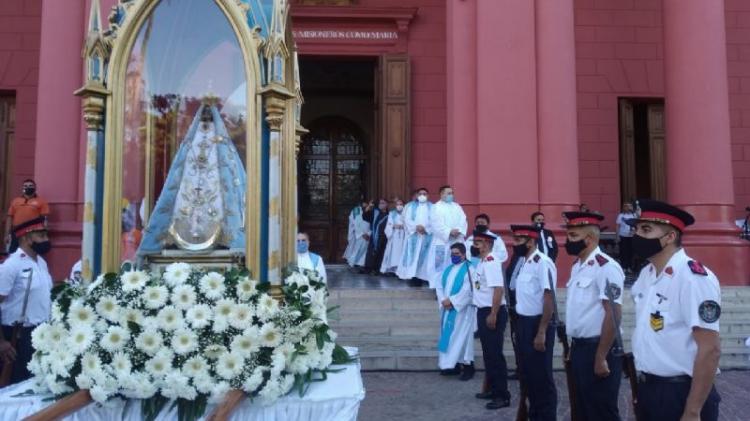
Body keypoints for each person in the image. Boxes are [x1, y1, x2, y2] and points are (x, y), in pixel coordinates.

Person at [628, 199, 721, 421]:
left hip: (680, 392)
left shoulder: (693, 278)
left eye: (646, 229)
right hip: (649, 388)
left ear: (670, 237)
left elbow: (710, 349)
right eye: (637, 229)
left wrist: (692, 410)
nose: (637, 235)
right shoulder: (646, 274)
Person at [562, 211, 625, 421]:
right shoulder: (577, 266)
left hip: (600, 347)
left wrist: (600, 356)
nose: (567, 241)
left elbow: (614, 313)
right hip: (581, 347)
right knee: (582, 408)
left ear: (588, 239)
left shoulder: (606, 267)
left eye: (572, 236)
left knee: (601, 410)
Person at [510, 224, 557, 421]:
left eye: (519, 240)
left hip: (538, 324)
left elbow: (549, 297)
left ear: (530, 241)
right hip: (523, 323)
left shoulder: (542, 262)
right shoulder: (524, 262)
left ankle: (545, 416)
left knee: (541, 376)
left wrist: (541, 331)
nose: (515, 244)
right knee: (528, 374)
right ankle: (534, 414)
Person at [0, 216, 53, 385]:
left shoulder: (41, 263)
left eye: (46, 235)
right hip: (17, 336)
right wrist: (1, 342)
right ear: (25, 237)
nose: (46, 240)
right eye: (41, 235)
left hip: (40, 335)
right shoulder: (11, 265)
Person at [472, 229, 511, 410]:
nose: (474, 246)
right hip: (483, 310)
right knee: (488, 354)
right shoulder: (481, 262)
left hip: (491, 311)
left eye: (478, 243)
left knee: (495, 355)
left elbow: (498, 289)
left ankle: (502, 395)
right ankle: (492, 388)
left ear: (487, 244)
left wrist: (493, 314)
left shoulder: (491, 261)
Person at [435, 243, 476, 381]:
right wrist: (443, 300)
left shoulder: (470, 269)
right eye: (452, 254)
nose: (454, 256)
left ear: (464, 254)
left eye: (457, 254)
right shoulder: (448, 269)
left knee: (463, 339)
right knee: (450, 339)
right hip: (447, 310)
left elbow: (469, 290)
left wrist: (452, 301)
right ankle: (453, 365)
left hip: (463, 311)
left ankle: (468, 367)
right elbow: (439, 286)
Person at [428, 185, 467, 288]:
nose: (451, 195)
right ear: (441, 194)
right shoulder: (436, 207)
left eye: (452, 193)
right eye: (448, 193)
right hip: (442, 242)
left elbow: (463, 220)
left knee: (456, 264)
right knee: (440, 266)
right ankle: (439, 288)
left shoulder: (457, 206)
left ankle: (455, 286)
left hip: (457, 240)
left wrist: (459, 230)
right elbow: (435, 224)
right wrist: (449, 231)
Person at [396, 188, 433, 283]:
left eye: (424, 194)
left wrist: (425, 229)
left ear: (428, 195)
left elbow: (434, 220)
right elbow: (406, 219)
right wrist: (416, 227)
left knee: (425, 257)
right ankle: (412, 276)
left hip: (426, 235)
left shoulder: (433, 207)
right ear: (417, 195)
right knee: (413, 256)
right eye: (420, 194)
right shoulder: (409, 206)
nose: (422, 195)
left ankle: (424, 277)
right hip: (414, 235)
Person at [5, 179, 50, 254]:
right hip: (17, 231)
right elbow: (10, 217)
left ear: (35, 188)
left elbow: (44, 218)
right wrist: (7, 234)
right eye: (25, 186)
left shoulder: (41, 201)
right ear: (22, 188)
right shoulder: (15, 201)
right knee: (13, 253)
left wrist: (44, 232)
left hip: (32, 233)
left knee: (32, 253)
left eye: (30, 186)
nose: (28, 187)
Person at [380, 198, 406, 275]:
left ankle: (401, 271)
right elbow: (389, 224)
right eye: (397, 204)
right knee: (394, 253)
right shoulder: (392, 213)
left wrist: (404, 226)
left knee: (402, 252)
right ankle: (393, 270)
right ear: (395, 205)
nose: (399, 206)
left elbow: (410, 224)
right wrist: (393, 226)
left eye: (401, 204)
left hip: (403, 235)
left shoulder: (406, 213)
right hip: (394, 236)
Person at [363, 198, 389, 274]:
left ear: (386, 205)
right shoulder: (375, 213)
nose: (381, 205)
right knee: (370, 252)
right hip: (374, 237)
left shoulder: (389, 215)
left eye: (383, 203)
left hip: (384, 237)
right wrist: (369, 207)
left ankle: (377, 269)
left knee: (381, 253)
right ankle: (368, 269)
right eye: (380, 203)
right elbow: (365, 217)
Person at [347, 201, 371, 270]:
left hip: (367, 235)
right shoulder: (357, 212)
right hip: (359, 234)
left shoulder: (370, 213)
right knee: (357, 249)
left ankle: (361, 264)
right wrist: (362, 234)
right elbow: (356, 224)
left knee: (365, 250)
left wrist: (369, 234)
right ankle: (352, 263)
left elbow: (372, 225)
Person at [615, 201, 637, 274]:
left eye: (629, 206)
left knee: (631, 252)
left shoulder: (634, 215)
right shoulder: (620, 216)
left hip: (631, 236)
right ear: (624, 207)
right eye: (626, 206)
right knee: (623, 252)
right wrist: (617, 236)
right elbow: (618, 226)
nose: (628, 207)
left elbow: (637, 226)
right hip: (623, 236)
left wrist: (634, 231)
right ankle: (624, 267)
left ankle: (630, 267)